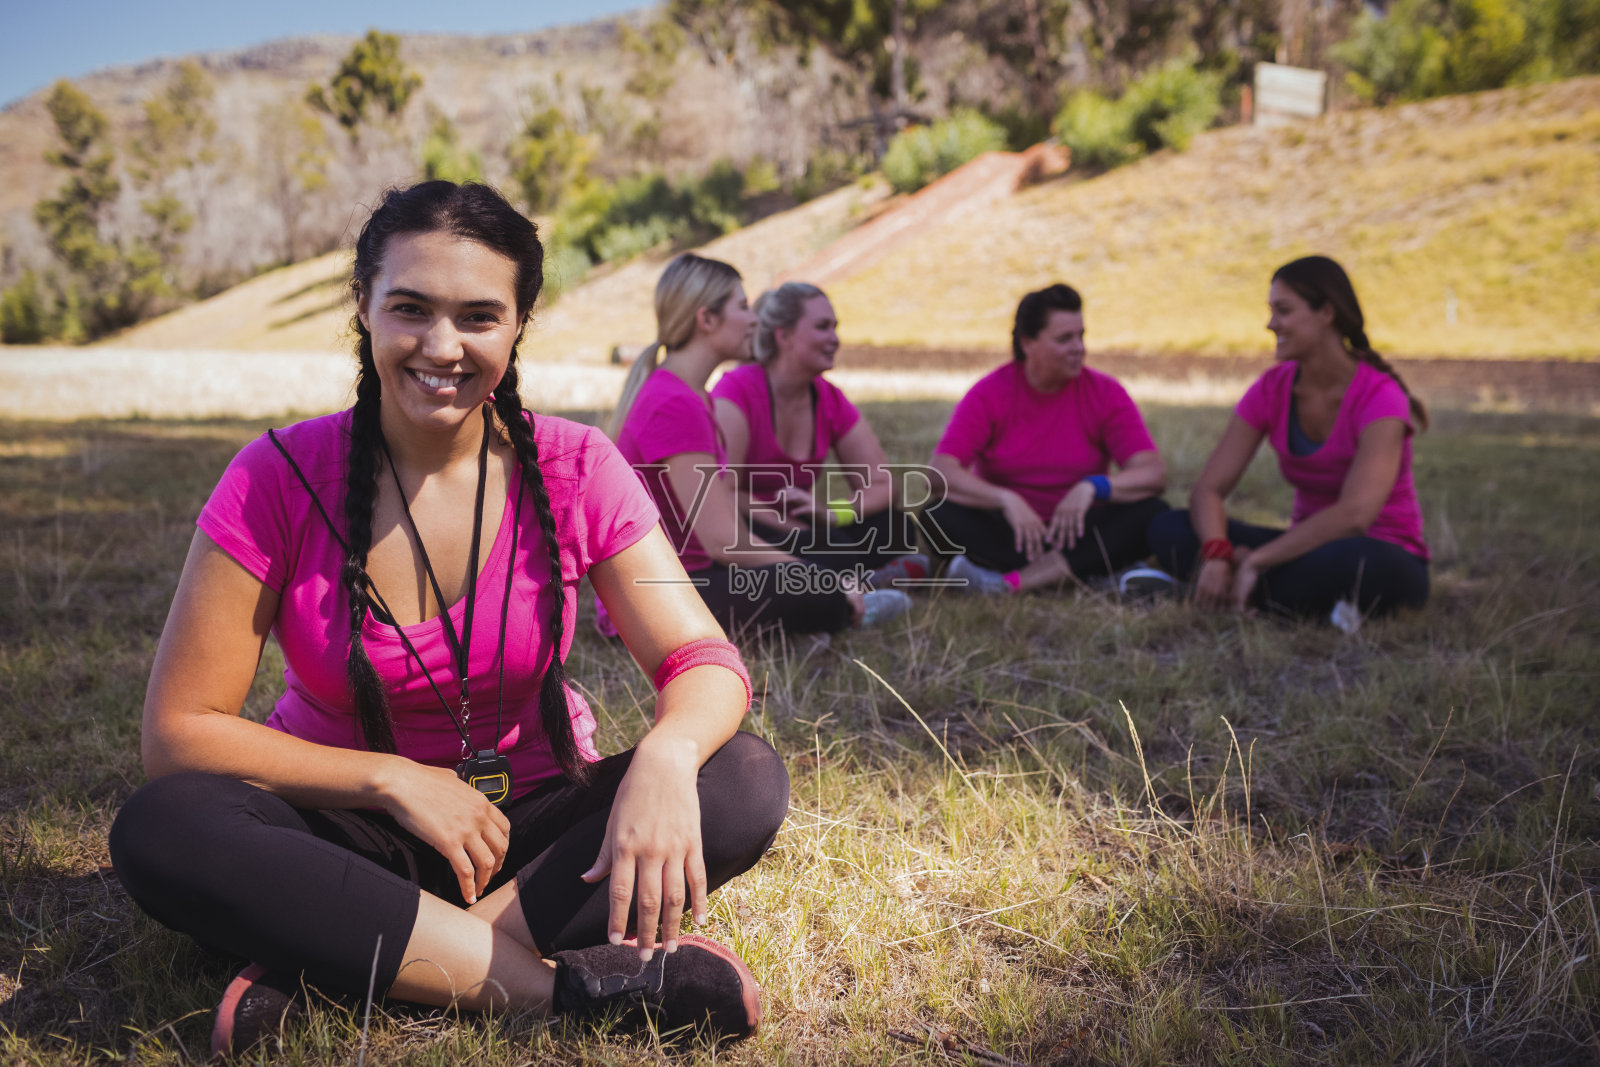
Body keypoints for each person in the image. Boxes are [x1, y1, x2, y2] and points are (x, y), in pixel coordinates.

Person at [107, 182, 789, 1057]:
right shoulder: (276, 473)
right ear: (363, 308)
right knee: (164, 826)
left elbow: (702, 655)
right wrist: (389, 777)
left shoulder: (579, 464)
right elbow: (178, 733)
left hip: (528, 831)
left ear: (518, 326)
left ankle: (343, 956)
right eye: (410, 308)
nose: (442, 345)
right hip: (337, 833)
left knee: (739, 777)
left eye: (478, 316)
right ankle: (566, 989)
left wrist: (665, 751)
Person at [609, 254, 911, 636]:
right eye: (743, 306)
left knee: (819, 570)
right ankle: (846, 609)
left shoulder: (691, 395)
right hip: (660, 597)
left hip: (694, 577)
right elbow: (723, 542)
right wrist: (813, 575)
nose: (754, 319)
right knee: (817, 587)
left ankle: (837, 602)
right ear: (706, 319)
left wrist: (815, 546)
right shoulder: (674, 403)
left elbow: (723, 538)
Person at [1146, 255, 1430, 621]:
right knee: (1169, 527)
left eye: (1283, 310)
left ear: (1326, 312)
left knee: (1355, 562)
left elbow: (1355, 516)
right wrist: (1217, 554)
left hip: (1380, 554)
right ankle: (1269, 596)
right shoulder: (1271, 389)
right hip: (1300, 552)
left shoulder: (1380, 396)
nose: (1270, 324)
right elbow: (1209, 490)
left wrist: (1258, 560)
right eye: (1271, 311)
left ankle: (1218, 591)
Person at [925, 283, 1169, 594]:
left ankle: (1011, 583)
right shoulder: (990, 394)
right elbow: (938, 473)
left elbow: (1153, 474)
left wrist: (1094, 487)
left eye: (1081, 335)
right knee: (938, 515)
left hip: (1082, 530)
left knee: (1153, 513)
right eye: (1064, 339)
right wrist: (1006, 499)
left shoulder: (1106, 393)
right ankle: (1090, 572)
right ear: (1028, 343)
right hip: (1013, 533)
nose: (1078, 347)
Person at [711, 281, 927, 586]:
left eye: (835, 328)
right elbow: (723, 492)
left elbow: (882, 484)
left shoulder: (828, 398)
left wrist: (832, 513)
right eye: (823, 327)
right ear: (783, 335)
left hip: (807, 529)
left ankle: (849, 579)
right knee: (833, 549)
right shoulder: (737, 391)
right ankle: (856, 582)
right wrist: (797, 529)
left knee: (894, 526)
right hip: (748, 528)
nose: (835, 339)